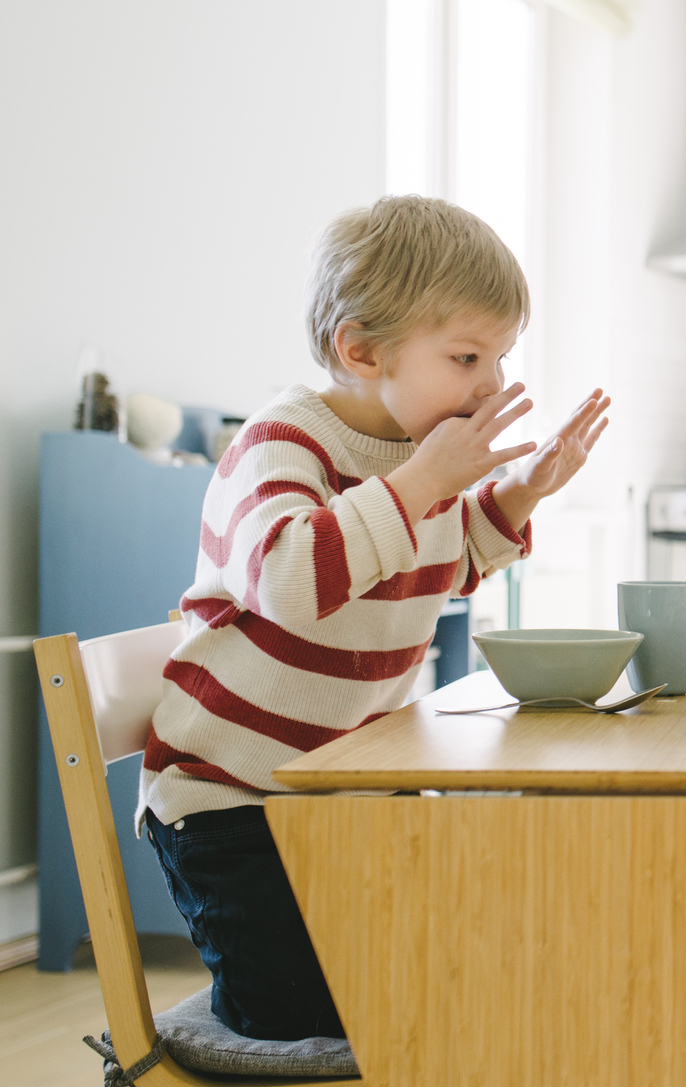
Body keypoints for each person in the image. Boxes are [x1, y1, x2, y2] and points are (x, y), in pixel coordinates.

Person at [138, 196, 610, 1041]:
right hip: (233, 801)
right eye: (467, 356)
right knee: (297, 1014)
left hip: (346, 784)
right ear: (359, 349)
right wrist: (427, 481)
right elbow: (289, 578)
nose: (493, 385)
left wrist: (524, 489)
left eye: (500, 357)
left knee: (437, 977)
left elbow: (448, 554)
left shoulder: (408, 460)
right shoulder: (282, 445)